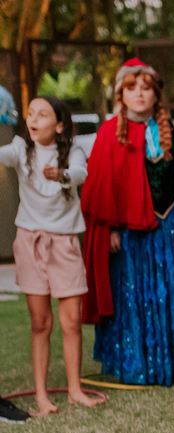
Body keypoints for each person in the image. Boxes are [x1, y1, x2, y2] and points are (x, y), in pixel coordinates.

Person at [82, 58, 174, 386]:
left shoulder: (169, 130)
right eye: (132, 88)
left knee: (170, 290)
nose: (140, 94)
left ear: (157, 95)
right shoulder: (109, 133)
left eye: (146, 89)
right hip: (131, 232)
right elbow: (103, 185)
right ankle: (136, 365)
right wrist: (111, 227)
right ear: (121, 95)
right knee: (134, 295)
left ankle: (173, 363)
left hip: (168, 226)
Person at [0, 96, 100, 415]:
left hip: (65, 242)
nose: (33, 119)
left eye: (42, 114)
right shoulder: (20, 150)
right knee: (41, 322)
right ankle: (42, 395)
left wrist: (62, 175)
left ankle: (74, 390)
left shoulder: (73, 152)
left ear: (58, 125)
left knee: (71, 321)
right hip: (30, 241)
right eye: (30, 114)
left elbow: (81, 173)